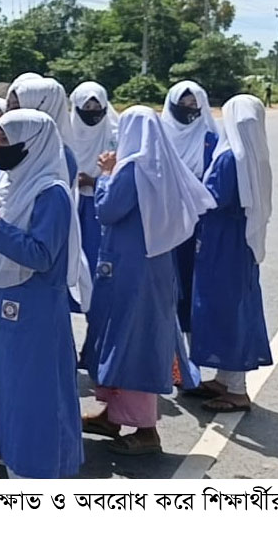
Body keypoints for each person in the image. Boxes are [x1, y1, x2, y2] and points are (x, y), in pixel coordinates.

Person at [0, 110, 84, 479]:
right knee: (5, 390)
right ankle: (12, 461)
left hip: (34, 309)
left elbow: (41, 255)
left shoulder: (50, 192)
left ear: (34, 144)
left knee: (34, 394)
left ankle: (38, 469)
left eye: (6, 141)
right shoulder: (6, 183)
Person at [80, 106, 214, 455]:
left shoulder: (131, 170)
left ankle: (145, 429)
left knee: (130, 340)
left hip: (130, 270)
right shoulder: (160, 166)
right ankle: (112, 414)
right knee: (122, 336)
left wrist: (105, 174)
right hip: (150, 265)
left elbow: (107, 210)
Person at [187, 95, 273, 412]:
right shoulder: (255, 156)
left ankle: (237, 389)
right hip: (240, 241)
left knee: (225, 309)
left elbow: (211, 198)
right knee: (235, 305)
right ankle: (225, 379)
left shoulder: (228, 159)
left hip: (223, 242)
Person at [160, 81, 218, 339]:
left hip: (198, 223)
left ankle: (191, 344)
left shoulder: (210, 139)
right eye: (182, 103)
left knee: (192, 280)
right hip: (164, 219)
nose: (188, 108)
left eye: (194, 104)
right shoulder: (160, 136)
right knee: (164, 282)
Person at [68, 81, 118, 272]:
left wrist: (94, 182)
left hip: (100, 202)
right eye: (87, 107)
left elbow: (122, 175)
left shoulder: (114, 135)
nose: (92, 112)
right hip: (71, 201)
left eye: (97, 107)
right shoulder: (65, 134)